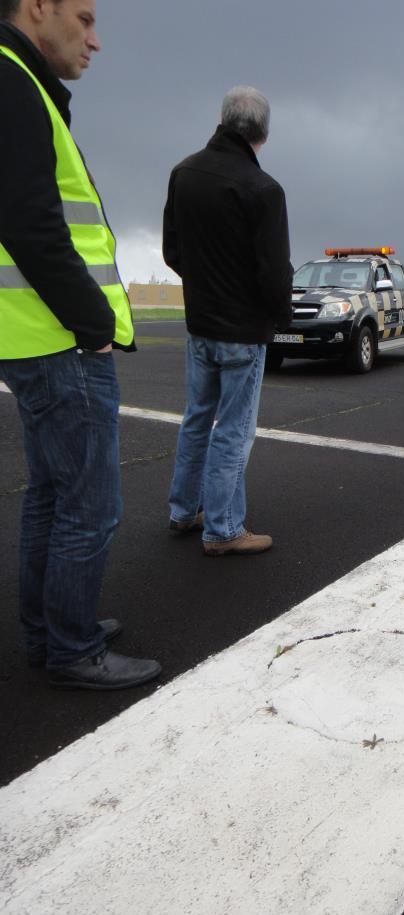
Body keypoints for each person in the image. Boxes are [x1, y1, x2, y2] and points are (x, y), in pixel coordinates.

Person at [0, 0, 160, 689]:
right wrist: (93, 326)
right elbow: (31, 224)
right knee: (90, 506)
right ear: (38, 8)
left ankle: (50, 629)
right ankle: (70, 646)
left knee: (52, 495)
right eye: (85, 19)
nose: (96, 41)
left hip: (34, 336)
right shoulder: (12, 80)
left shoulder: (17, 80)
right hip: (60, 339)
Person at [163, 86, 292, 556]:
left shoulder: (184, 173)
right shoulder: (264, 190)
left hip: (200, 324)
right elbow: (274, 272)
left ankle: (184, 510)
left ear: (222, 122)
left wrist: (206, 287)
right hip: (242, 331)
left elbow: (172, 251)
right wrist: (280, 317)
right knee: (234, 430)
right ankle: (222, 529)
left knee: (197, 419)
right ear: (263, 132)